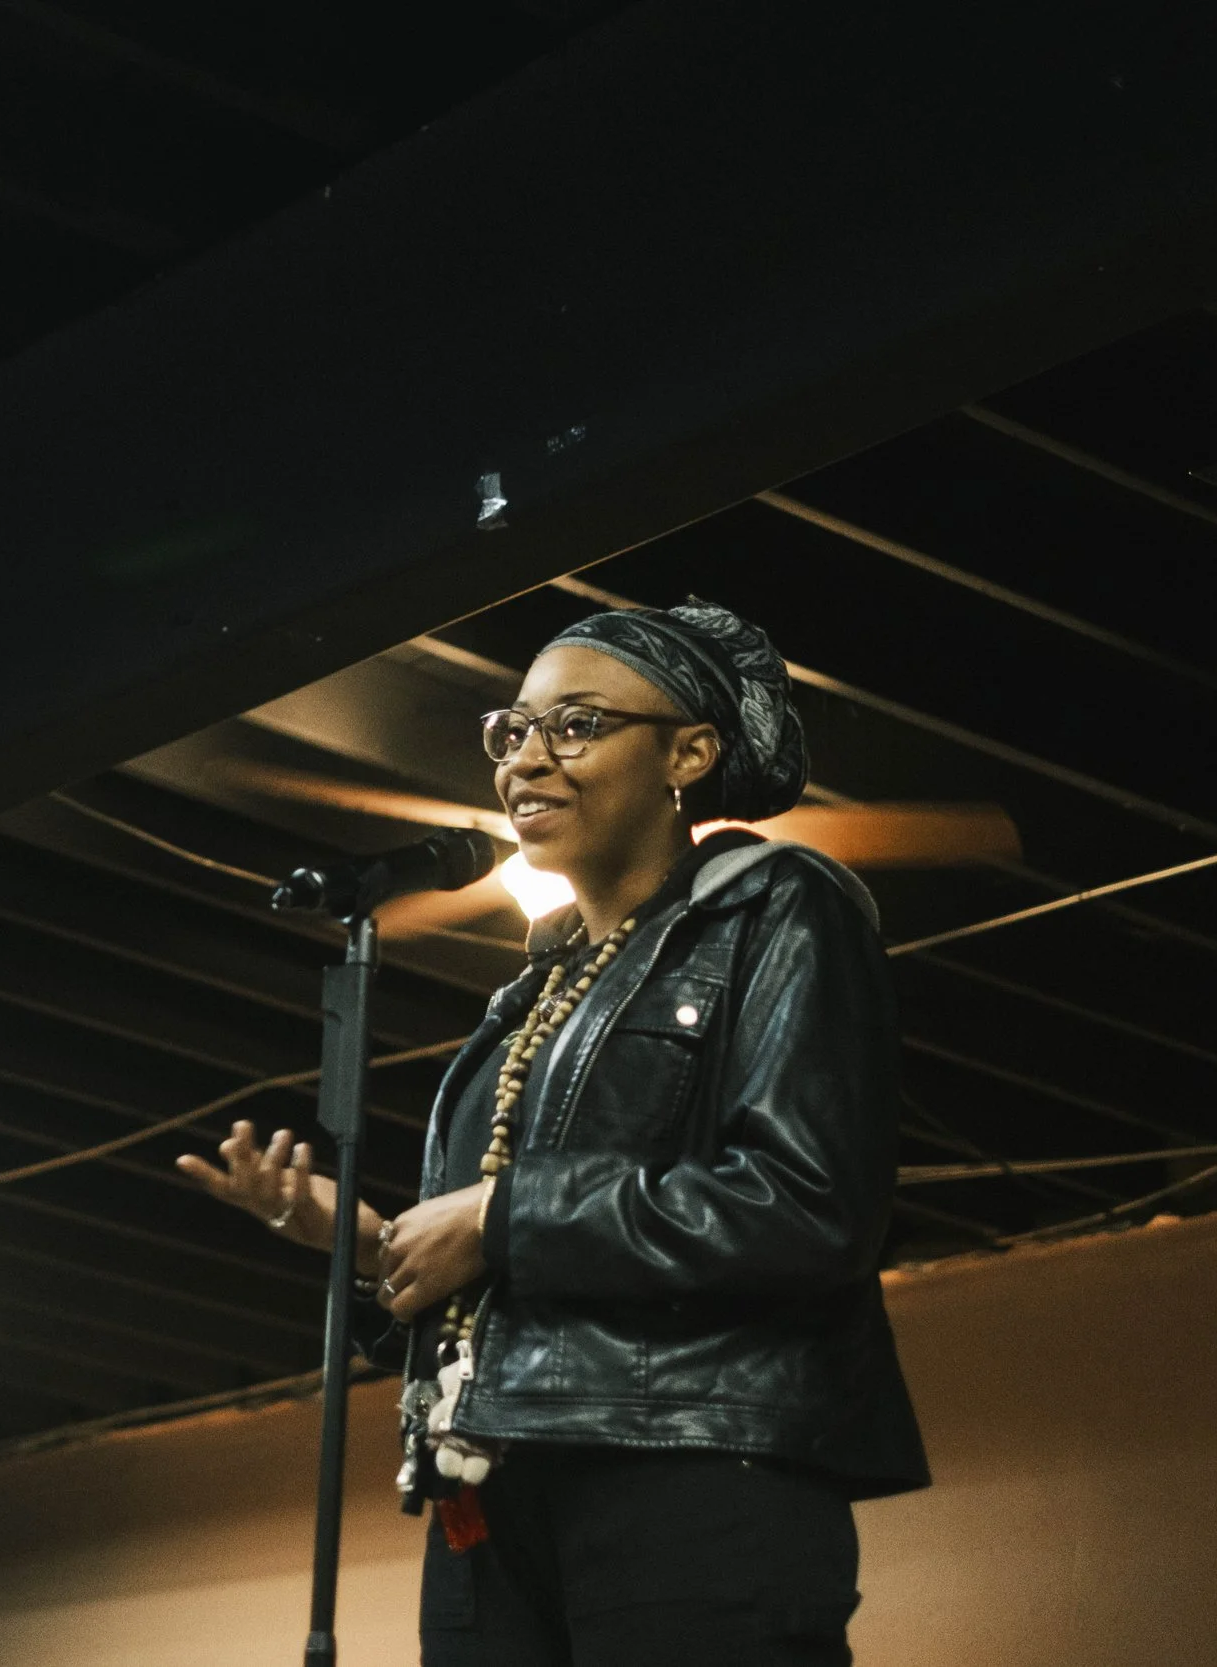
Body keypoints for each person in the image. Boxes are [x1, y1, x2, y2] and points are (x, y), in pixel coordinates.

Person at [178, 599, 927, 1665]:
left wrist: (500, 1216)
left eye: (573, 724)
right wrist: (357, 1242)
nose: (526, 758)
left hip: (685, 1467)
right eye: (512, 729)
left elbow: (807, 1205)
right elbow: (502, 1279)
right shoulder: (535, 984)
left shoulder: (775, 907)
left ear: (689, 751)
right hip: (490, 1495)